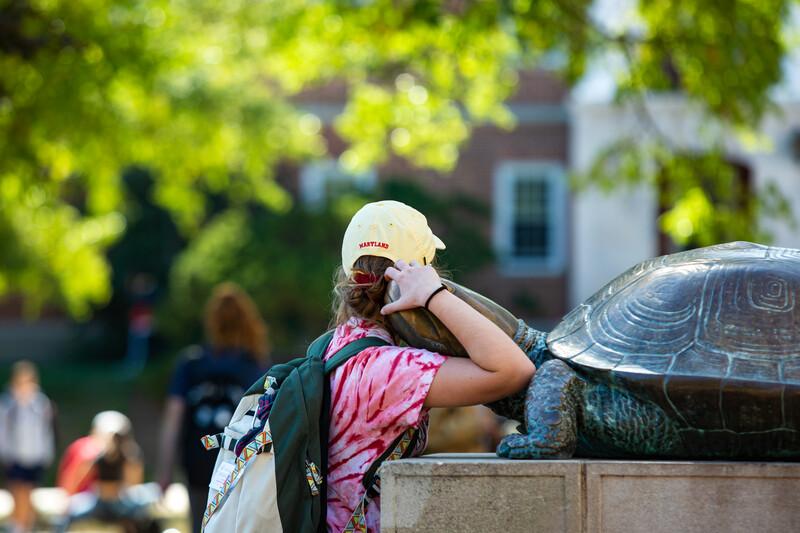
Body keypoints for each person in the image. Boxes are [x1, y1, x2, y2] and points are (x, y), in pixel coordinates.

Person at [324, 200, 535, 531]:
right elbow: (514, 370)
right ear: (416, 275)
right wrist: (435, 295)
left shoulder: (338, 346)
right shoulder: (388, 371)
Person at [157, 282, 270, 533]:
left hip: (196, 461)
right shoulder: (253, 366)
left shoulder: (190, 364)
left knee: (200, 524)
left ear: (211, 321)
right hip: (238, 463)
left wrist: (164, 471)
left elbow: (172, 420)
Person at [56, 411, 159, 533]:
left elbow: (133, 485)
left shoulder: (128, 456)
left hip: (117, 502)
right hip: (103, 502)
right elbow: (76, 479)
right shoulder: (93, 455)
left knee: (147, 508)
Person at [0, 360, 55, 533]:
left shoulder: (41, 403)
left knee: (30, 492)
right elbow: (3, 431)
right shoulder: (8, 403)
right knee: (18, 492)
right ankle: (17, 526)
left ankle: (26, 526)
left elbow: (46, 430)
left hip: (35, 455)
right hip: (15, 455)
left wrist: (47, 452)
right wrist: (4, 453)